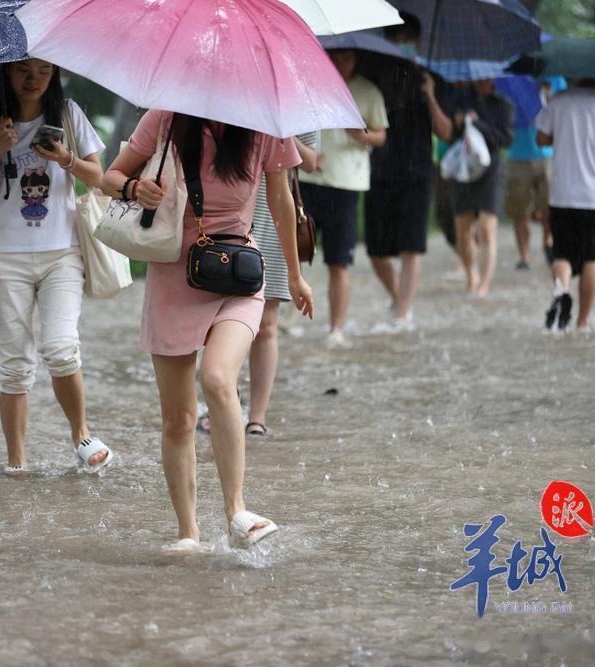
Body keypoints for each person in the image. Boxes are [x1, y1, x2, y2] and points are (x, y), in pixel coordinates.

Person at [101, 111, 313, 550]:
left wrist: (294, 275)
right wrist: (134, 188)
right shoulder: (164, 118)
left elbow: (281, 200)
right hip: (172, 274)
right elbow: (112, 175)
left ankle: (236, 510)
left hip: (237, 272)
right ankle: (188, 534)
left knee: (217, 378)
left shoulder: (264, 124)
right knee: (177, 418)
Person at [0, 59, 113, 476]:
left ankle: (81, 434)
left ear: (55, 75)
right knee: (15, 367)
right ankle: (16, 463)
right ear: (6, 73)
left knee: (61, 348)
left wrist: (66, 159)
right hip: (4, 257)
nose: (33, 79)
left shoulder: (69, 115)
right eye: (24, 70)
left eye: (44, 71)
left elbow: (99, 178)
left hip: (61, 252)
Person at [365, 15, 452, 331]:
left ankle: (401, 315)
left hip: (418, 172)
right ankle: (401, 301)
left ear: (417, 40)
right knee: (375, 250)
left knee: (412, 246)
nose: (403, 43)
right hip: (380, 170)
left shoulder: (432, 77)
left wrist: (429, 94)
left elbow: (445, 131)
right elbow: (364, 122)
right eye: (397, 38)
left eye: (408, 38)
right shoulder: (374, 75)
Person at [299, 49, 388, 348]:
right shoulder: (310, 84)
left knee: (339, 261)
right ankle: (282, 319)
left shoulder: (368, 91)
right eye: (336, 56)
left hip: (347, 183)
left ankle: (335, 328)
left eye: (348, 58)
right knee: (295, 254)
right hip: (310, 179)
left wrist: (361, 135)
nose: (341, 63)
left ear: (356, 59)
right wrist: (303, 155)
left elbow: (381, 135)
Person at [245, 134, 318, 437]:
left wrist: (282, 135)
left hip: (276, 212)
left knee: (267, 323)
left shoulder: (296, 101)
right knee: (219, 318)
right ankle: (223, 404)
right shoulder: (232, 95)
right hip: (230, 208)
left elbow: (312, 162)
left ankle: (256, 417)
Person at [536, 79, 595, 331]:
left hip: (563, 193)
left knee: (562, 253)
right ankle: (582, 322)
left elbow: (541, 139)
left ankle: (561, 293)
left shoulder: (559, 101)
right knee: (591, 258)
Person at [442, 80, 514, 297]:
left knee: (486, 230)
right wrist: (457, 122)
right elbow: (448, 134)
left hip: (491, 172)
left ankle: (484, 283)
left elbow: (506, 139)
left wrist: (478, 124)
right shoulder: (459, 99)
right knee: (462, 232)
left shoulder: (503, 104)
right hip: (464, 169)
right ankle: (471, 275)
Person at [504, 77, 565, 270]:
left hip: (547, 155)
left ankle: (548, 242)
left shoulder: (555, 79)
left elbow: (562, 113)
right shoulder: (510, 79)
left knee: (550, 206)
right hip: (516, 154)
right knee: (520, 210)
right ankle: (524, 256)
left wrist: (546, 96)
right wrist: (527, 97)